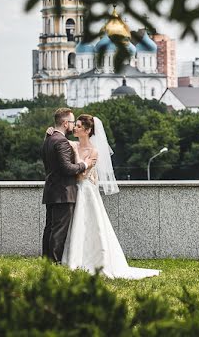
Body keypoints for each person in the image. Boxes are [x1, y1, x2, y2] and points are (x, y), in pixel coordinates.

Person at [61, 114, 160, 279]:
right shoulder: (72, 144)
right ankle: (73, 257)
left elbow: (82, 175)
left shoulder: (93, 151)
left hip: (87, 192)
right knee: (74, 224)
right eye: (75, 125)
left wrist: (77, 158)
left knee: (92, 224)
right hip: (75, 190)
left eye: (78, 126)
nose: (75, 128)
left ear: (87, 130)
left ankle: (94, 260)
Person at [41, 107, 97, 263]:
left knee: (50, 228)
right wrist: (84, 165)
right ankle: (54, 263)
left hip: (51, 190)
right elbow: (67, 168)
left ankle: (46, 261)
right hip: (63, 192)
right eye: (73, 123)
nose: (73, 126)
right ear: (65, 123)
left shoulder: (48, 140)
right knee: (58, 231)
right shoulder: (62, 142)